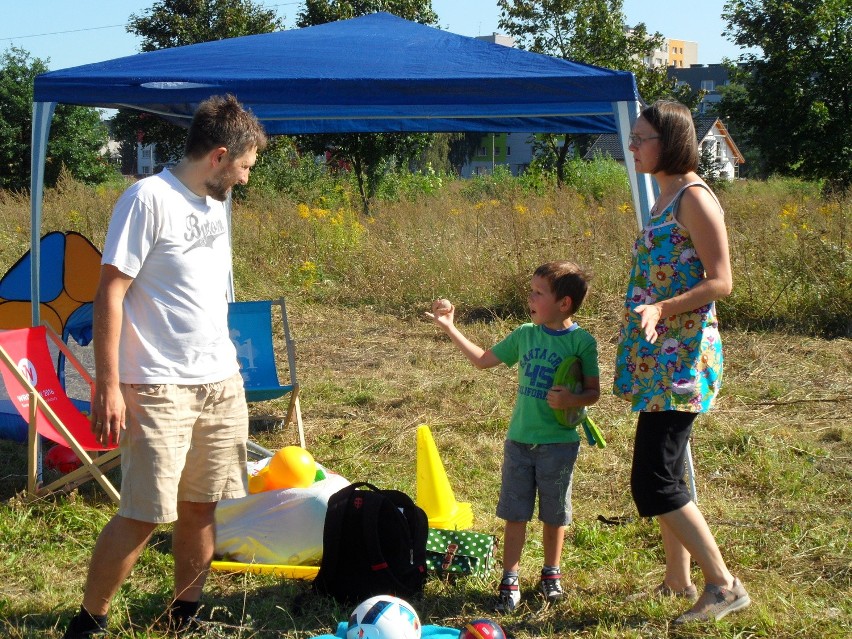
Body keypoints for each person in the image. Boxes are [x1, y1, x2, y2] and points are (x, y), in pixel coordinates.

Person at [62, 94, 268, 638]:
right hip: (157, 386)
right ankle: (90, 622)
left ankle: (184, 617)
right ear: (220, 155)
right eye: (245, 167)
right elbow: (110, 292)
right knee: (145, 513)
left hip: (220, 382)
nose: (246, 180)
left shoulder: (216, 204)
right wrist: (108, 383)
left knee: (202, 507)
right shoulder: (146, 199)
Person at [613, 99, 750, 623]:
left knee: (655, 480)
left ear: (669, 141)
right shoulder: (662, 197)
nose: (632, 146)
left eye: (641, 137)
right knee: (670, 470)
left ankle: (723, 584)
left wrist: (661, 307)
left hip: (683, 361)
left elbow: (721, 280)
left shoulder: (693, 197)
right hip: (659, 357)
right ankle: (678, 577)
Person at [427, 261, 600, 612]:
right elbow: (482, 360)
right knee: (515, 513)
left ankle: (551, 575)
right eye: (531, 291)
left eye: (538, 293)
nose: (530, 299)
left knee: (554, 513)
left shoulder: (582, 342)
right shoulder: (524, 334)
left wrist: (572, 399)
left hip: (560, 444)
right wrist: (450, 327)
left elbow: (593, 392)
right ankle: (510, 577)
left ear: (564, 303)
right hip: (519, 441)